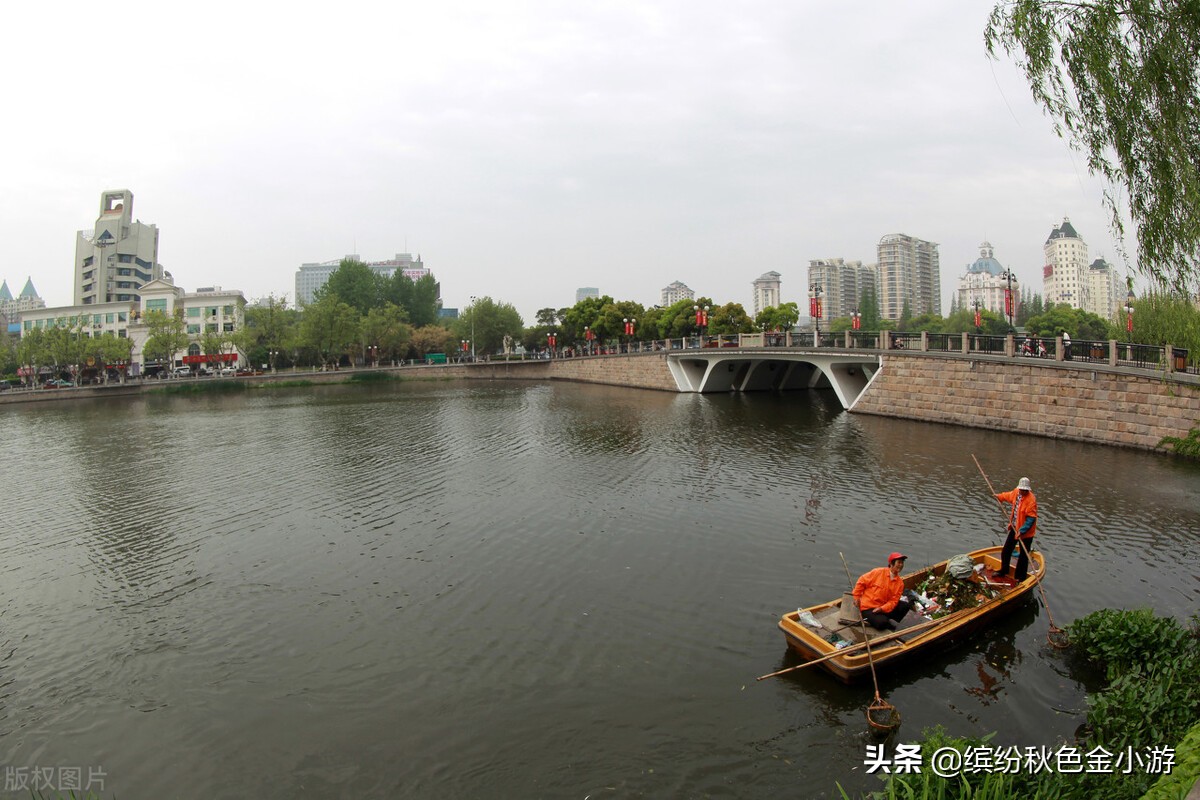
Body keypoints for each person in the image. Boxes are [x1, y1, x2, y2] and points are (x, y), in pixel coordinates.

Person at [852, 552, 912, 630]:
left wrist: (882, 608)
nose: (901, 565)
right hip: (869, 607)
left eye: (902, 563)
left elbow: (893, 601)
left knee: (905, 606)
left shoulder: (900, 583)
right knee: (882, 623)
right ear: (891, 563)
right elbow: (861, 582)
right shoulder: (878, 572)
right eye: (899, 562)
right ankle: (884, 620)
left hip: (883, 607)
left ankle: (885, 618)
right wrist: (856, 597)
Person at [993, 477, 1038, 581]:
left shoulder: (1031, 500)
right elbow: (1008, 495)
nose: (1022, 491)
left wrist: (1022, 531)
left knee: (1023, 555)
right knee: (1006, 550)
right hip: (1014, 527)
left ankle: (1020, 578)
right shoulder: (1016, 493)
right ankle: (1004, 570)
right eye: (1021, 489)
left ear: (1028, 490)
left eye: (1024, 490)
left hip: (1026, 533)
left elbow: (1031, 519)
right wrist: (999, 496)